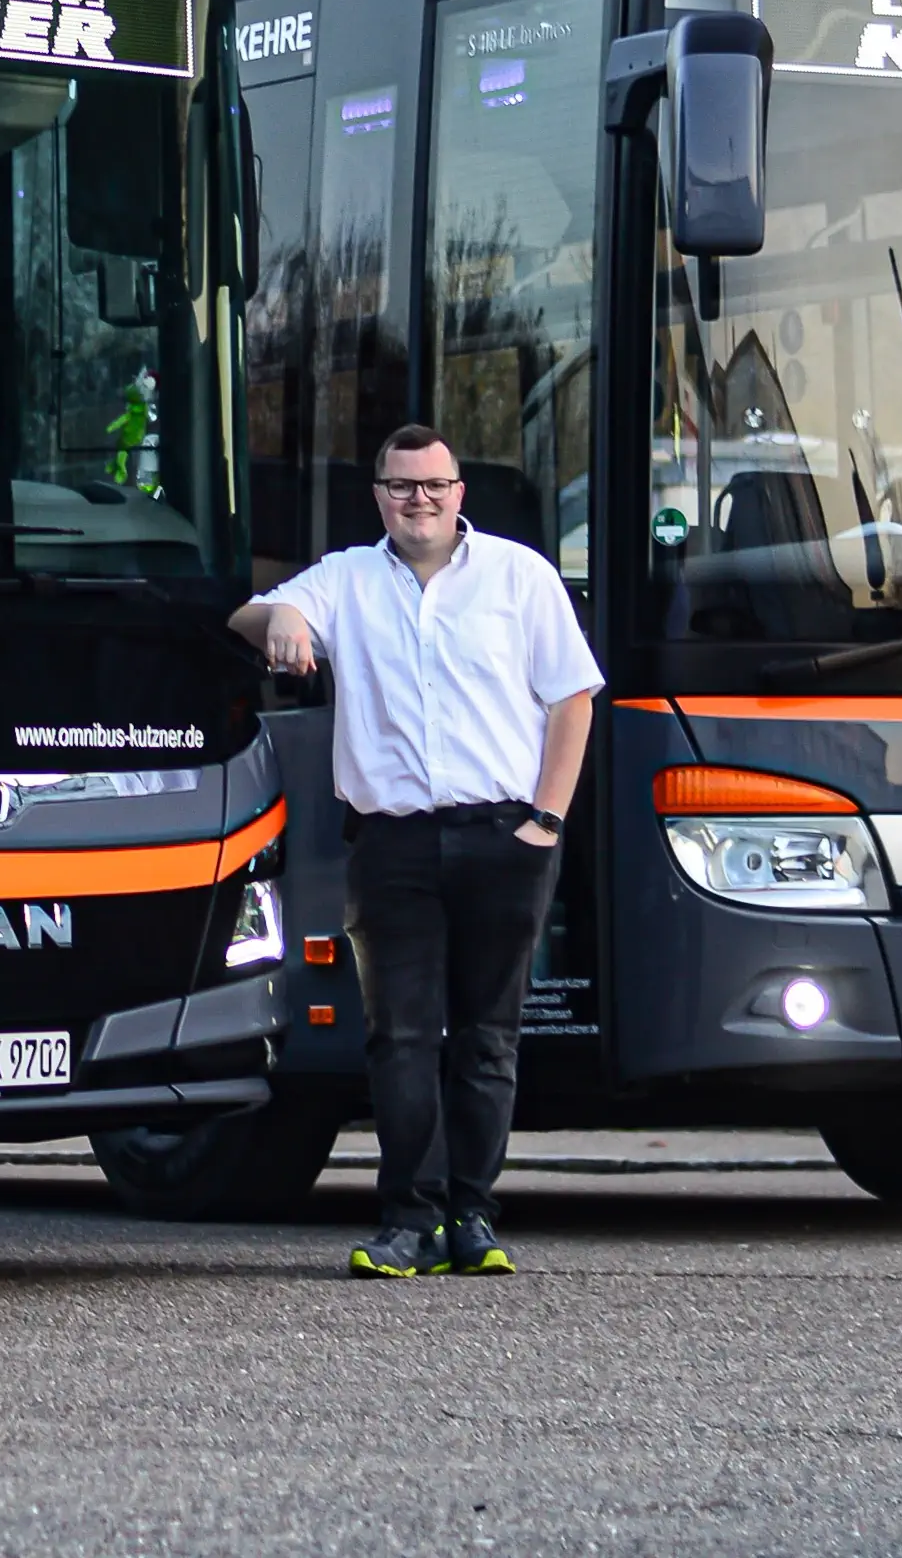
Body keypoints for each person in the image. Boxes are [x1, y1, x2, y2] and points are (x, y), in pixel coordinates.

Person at [228, 424, 601, 1278]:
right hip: (391, 842)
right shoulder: (345, 580)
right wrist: (283, 614)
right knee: (398, 1038)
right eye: (401, 486)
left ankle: (472, 1216)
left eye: (433, 485)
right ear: (380, 498)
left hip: (504, 836)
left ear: (459, 493)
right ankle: (409, 1221)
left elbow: (572, 701)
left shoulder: (520, 576)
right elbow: (244, 617)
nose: (418, 500)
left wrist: (545, 822)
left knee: (486, 1038)